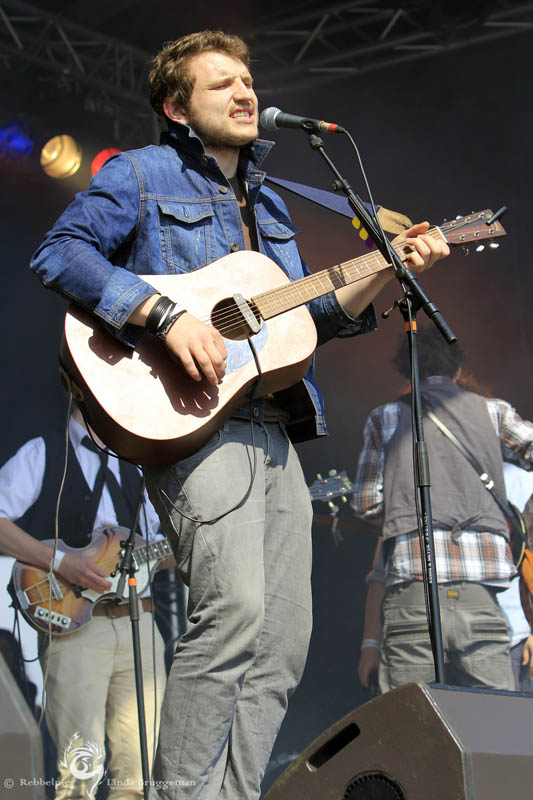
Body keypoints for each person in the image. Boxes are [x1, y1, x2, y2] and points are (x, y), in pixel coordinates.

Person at [28, 30, 449, 799]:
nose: (244, 91)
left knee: (284, 644)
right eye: (220, 83)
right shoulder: (143, 174)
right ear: (176, 107)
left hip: (274, 426)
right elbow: (62, 252)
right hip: (195, 426)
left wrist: (389, 271)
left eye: (247, 79)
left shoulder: (275, 202)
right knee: (233, 615)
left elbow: (309, 318)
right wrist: (162, 315)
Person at [0, 402, 170, 799]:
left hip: (139, 623)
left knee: (139, 776)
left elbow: (167, 550)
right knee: (79, 774)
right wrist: (61, 563)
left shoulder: (140, 466)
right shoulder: (44, 452)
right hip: (75, 627)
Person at [351, 325, 533, 694]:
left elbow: (365, 504)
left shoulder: (384, 418)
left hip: (412, 593)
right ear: (459, 369)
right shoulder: (492, 412)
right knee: (496, 725)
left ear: (406, 371)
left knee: (412, 724)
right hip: (479, 594)